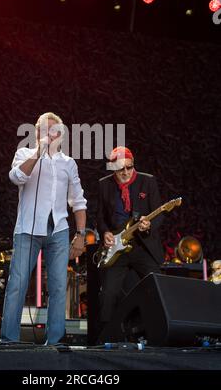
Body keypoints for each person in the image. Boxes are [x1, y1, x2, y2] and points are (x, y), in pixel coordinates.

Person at [1, 112, 87, 344]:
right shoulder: (24, 154)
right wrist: (38, 153)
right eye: (43, 129)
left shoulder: (68, 163)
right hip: (28, 230)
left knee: (59, 287)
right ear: (36, 132)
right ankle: (8, 341)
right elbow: (16, 177)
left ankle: (55, 342)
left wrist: (80, 234)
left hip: (58, 230)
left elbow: (78, 201)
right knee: (17, 285)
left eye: (53, 130)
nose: (48, 134)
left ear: (60, 135)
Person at [96, 146, 164, 342]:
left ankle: (161, 333)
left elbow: (160, 214)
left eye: (129, 167)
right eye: (120, 169)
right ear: (112, 169)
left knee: (158, 285)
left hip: (143, 246)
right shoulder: (104, 185)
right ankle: (105, 339)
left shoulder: (148, 181)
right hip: (117, 248)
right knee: (108, 293)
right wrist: (105, 232)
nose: (125, 172)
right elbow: (100, 216)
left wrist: (149, 224)